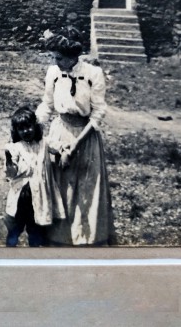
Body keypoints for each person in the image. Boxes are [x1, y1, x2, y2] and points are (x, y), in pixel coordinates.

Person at [35, 30, 115, 246]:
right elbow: (47, 104)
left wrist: (76, 145)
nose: (56, 62)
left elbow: (98, 112)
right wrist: (36, 127)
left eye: (59, 58)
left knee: (85, 187)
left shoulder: (92, 74)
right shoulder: (53, 72)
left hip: (85, 136)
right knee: (59, 185)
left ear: (73, 57)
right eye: (54, 57)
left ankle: (85, 238)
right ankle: (57, 237)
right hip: (60, 132)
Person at [3, 106, 65, 247]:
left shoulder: (44, 143)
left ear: (35, 126)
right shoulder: (15, 148)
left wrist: (64, 154)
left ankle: (34, 252)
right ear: (16, 131)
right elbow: (11, 173)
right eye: (21, 129)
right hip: (22, 197)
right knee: (15, 228)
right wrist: (8, 161)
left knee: (36, 229)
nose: (26, 131)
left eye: (29, 127)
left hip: (39, 197)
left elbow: (59, 147)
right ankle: (9, 252)